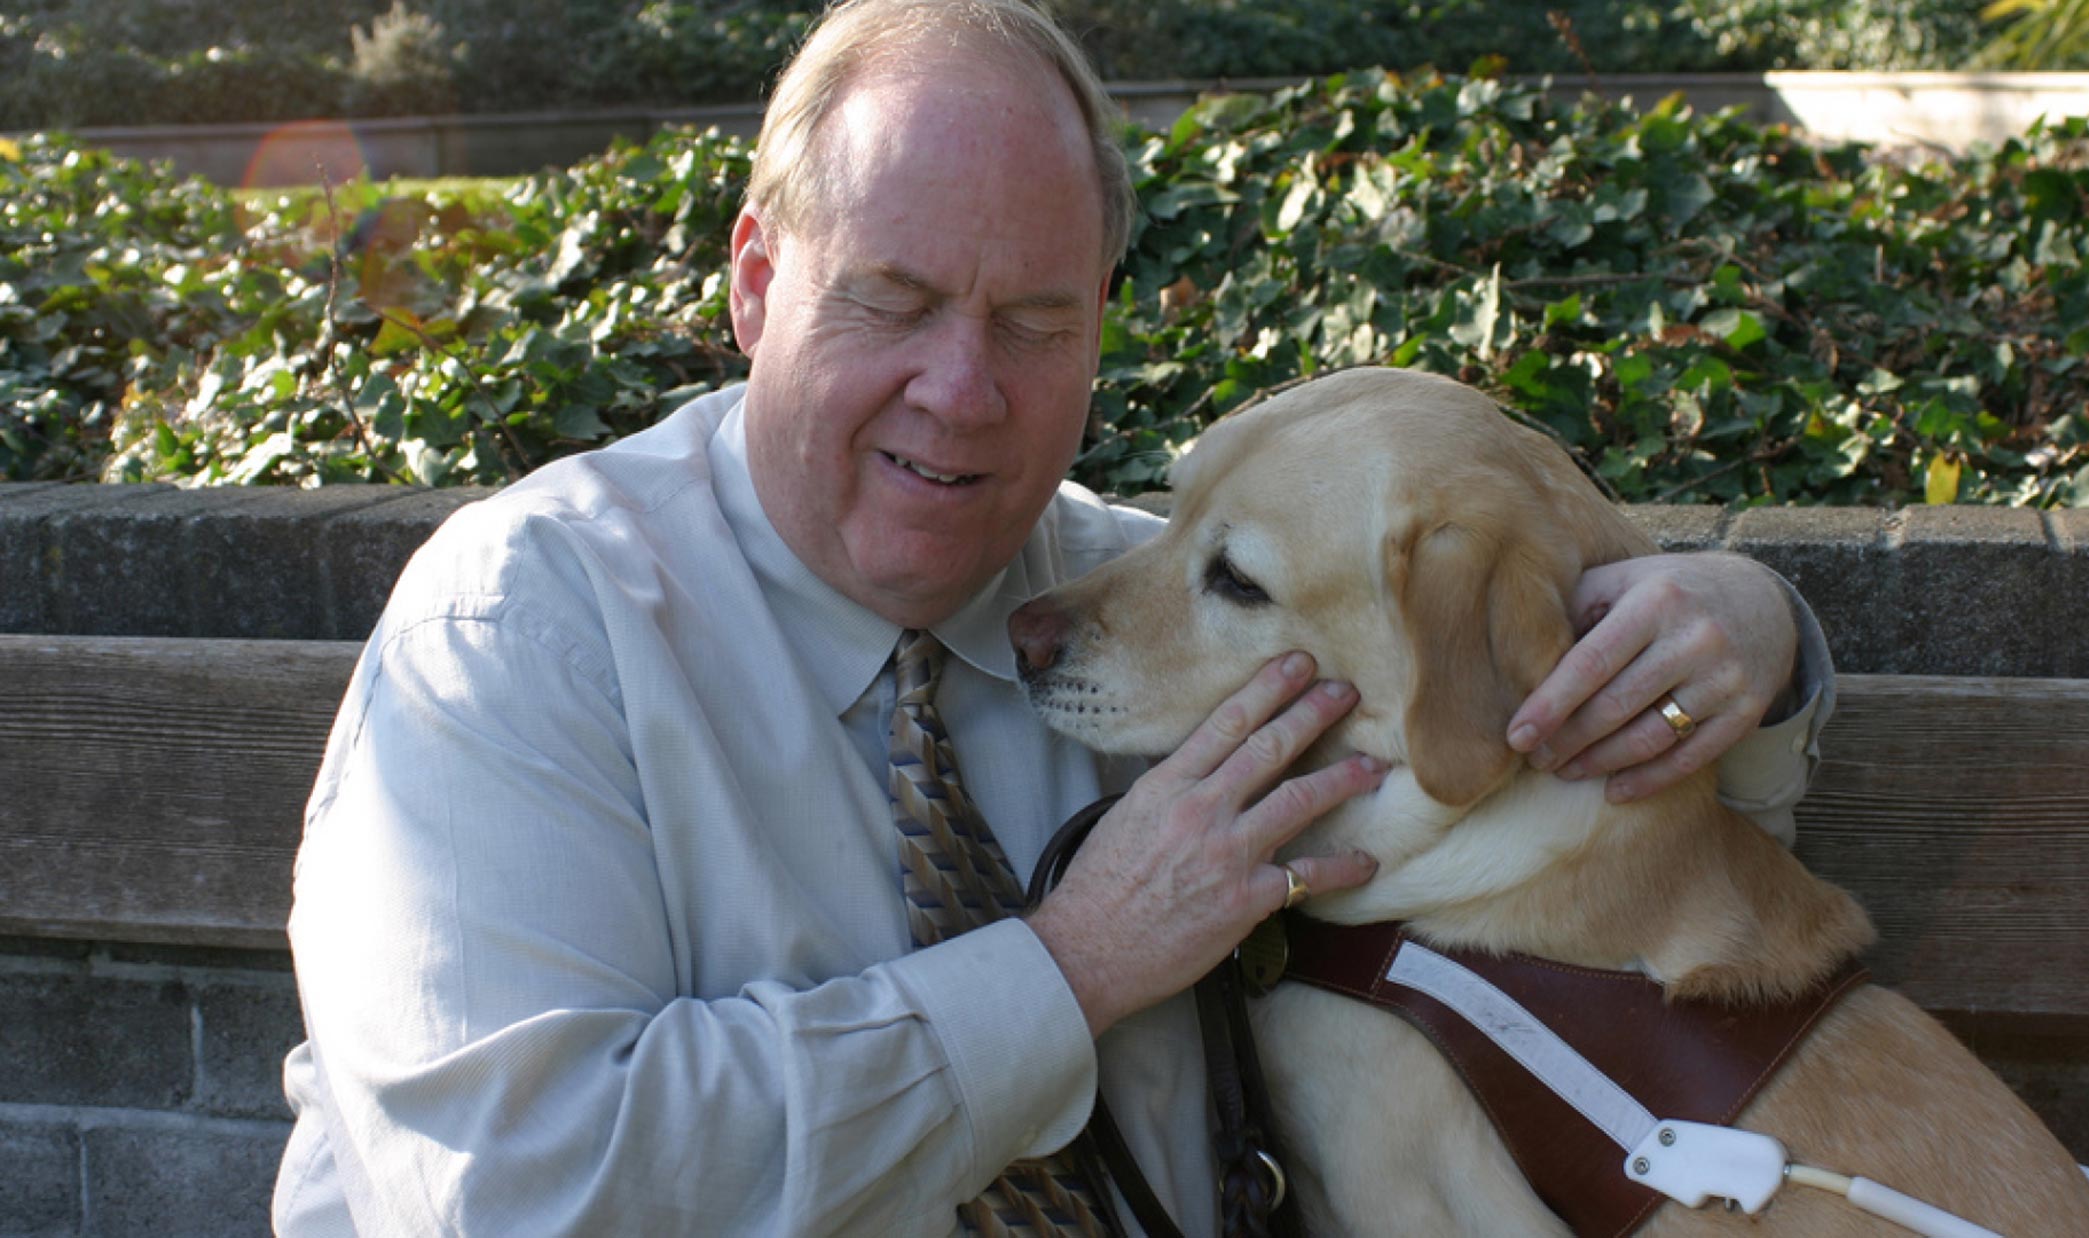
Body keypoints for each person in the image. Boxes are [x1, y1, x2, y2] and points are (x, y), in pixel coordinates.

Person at [272, 1, 1835, 1233]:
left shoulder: (1144, 606)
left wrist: (1749, 640)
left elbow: (1516, 766)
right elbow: (517, 1195)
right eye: (890, 298)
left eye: (1035, 321)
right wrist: (1066, 972)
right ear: (755, 283)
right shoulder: (521, 630)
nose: (961, 393)